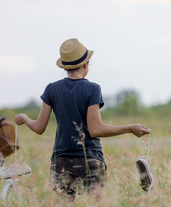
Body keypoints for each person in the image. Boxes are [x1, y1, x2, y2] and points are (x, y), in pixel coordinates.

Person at [14, 38, 151, 198]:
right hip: (89, 159)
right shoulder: (92, 89)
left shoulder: (51, 89)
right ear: (85, 65)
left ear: (65, 67)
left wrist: (24, 118)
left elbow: (39, 127)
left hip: (61, 160)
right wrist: (130, 128)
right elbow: (95, 129)